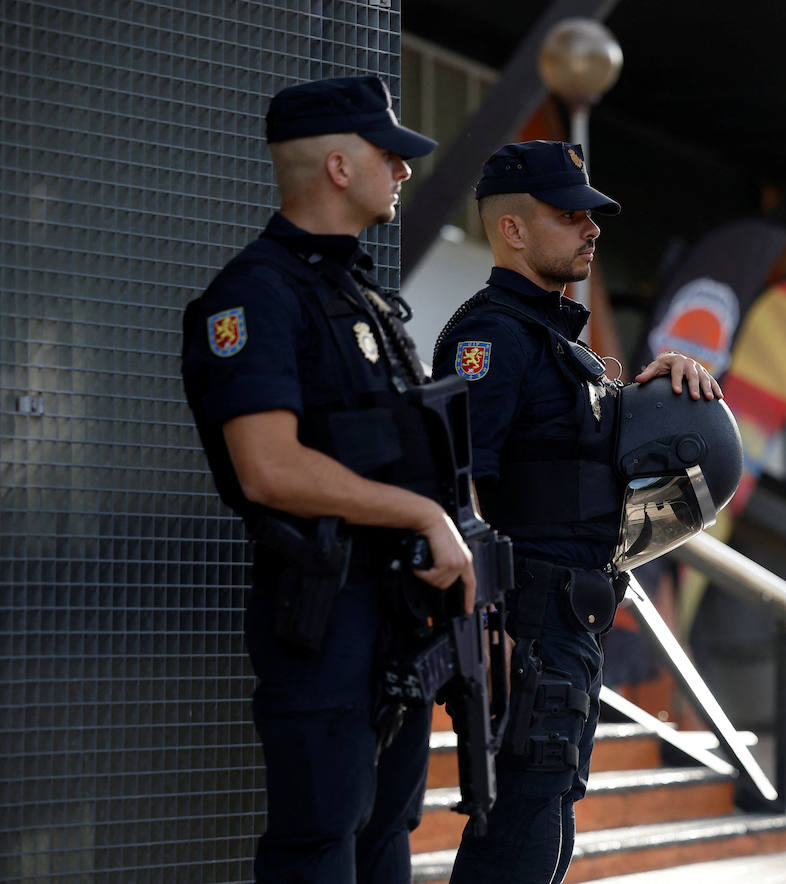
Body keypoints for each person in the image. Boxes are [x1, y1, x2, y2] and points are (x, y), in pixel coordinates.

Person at [180, 77, 475, 883]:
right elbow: (268, 468)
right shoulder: (255, 295)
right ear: (340, 167)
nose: (405, 171)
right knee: (320, 842)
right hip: (324, 611)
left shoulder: (365, 296)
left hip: (399, 617)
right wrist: (420, 514)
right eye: (391, 155)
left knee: (387, 835)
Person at [432, 140, 723, 884]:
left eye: (591, 216)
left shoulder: (563, 349)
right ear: (514, 231)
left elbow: (576, 472)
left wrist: (656, 391)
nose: (591, 229)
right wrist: (482, 629)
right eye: (569, 216)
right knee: (523, 824)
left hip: (568, 621)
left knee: (548, 810)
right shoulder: (489, 338)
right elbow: (456, 486)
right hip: (522, 622)